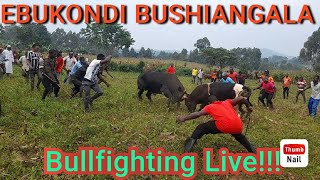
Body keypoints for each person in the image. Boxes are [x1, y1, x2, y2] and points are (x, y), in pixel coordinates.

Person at [176, 97, 256, 153]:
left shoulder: (210, 106)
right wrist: (248, 106)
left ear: (209, 102)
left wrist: (183, 118)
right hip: (238, 125)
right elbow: (241, 98)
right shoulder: (226, 102)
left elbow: (198, 114)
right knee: (239, 136)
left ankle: (188, 147)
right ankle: (253, 150)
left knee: (201, 127)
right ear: (218, 100)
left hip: (224, 125)